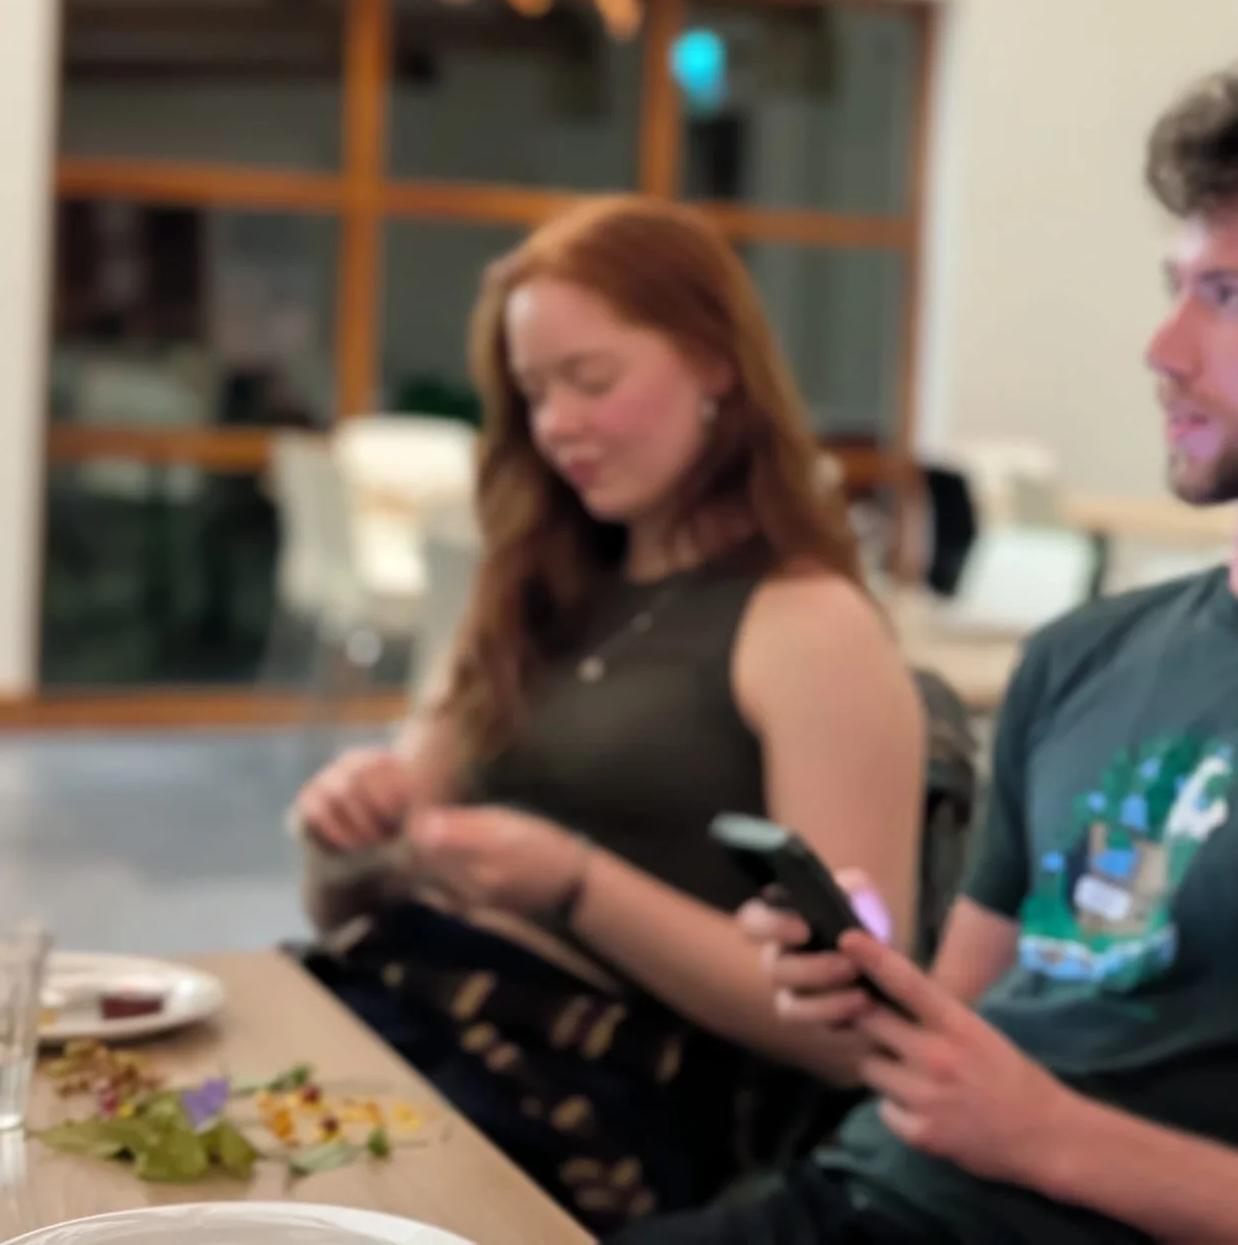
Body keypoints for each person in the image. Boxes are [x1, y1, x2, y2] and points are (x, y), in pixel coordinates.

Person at [617, 60, 1238, 1245]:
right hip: (856, 1197)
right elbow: (968, 1019)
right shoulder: (1081, 655)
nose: (1164, 347)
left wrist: (1046, 1135)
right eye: (1177, 287)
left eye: (1230, 297)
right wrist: (867, 974)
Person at [289, 195, 926, 1233]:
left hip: (606, 1101)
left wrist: (578, 888)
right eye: (536, 394)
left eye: (592, 381)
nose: (557, 427)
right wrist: (343, 834)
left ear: (717, 364)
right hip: (417, 1010)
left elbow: (855, 1035)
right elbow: (346, 908)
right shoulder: (528, 589)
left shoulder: (808, 625)